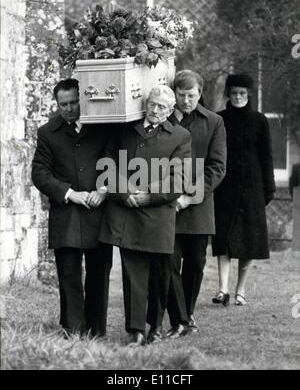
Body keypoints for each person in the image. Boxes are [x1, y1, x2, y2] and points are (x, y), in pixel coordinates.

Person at [98, 86, 192, 346]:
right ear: (145, 103)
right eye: (152, 104)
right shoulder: (125, 130)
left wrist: (149, 195)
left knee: (161, 276)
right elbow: (107, 164)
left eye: (162, 107)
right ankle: (136, 329)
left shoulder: (181, 136)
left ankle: (156, 327)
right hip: (128, 212)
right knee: (133, 274)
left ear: (171, 111)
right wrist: (125, 192)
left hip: (159, 215)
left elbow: (179, 179)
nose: (155, 110)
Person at [32, 78, 113, 337]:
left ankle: (97, 330)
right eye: (62, 104)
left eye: (73, 102)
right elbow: (40, 173)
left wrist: (103, 190)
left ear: (83, 99)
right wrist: (69, 194)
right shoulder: (47, 132)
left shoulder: (103, 126)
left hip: (98, 210)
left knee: (99, 273)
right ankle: (73, 330)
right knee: (69, 274)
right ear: (57, 104)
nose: (68, 108)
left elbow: (114, 158)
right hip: (66, 212)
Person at [157, 70, 227, 338]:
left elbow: (217, 167)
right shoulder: (163, 119)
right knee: (169, 263)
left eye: (192, 95)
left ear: (200, 94)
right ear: (174, 93)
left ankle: (187, 313)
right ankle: (180, 321)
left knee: (195, 264)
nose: (186, 101)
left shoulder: (214, 122)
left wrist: (189, 197)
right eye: (182, 95)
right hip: (166, 205)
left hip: (198, 206)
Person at [212, 74, 276, 306]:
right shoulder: (219, 119)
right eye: (234, 93)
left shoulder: (259, 120)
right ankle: (223, 289)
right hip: (224, 189)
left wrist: (269, 189)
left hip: (253, 189)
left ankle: (240, 291)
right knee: (223, 238)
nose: (238, 97)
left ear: (248, 94)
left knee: (249, 241)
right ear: (228, 93)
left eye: (242, 93)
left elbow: (267, 156)